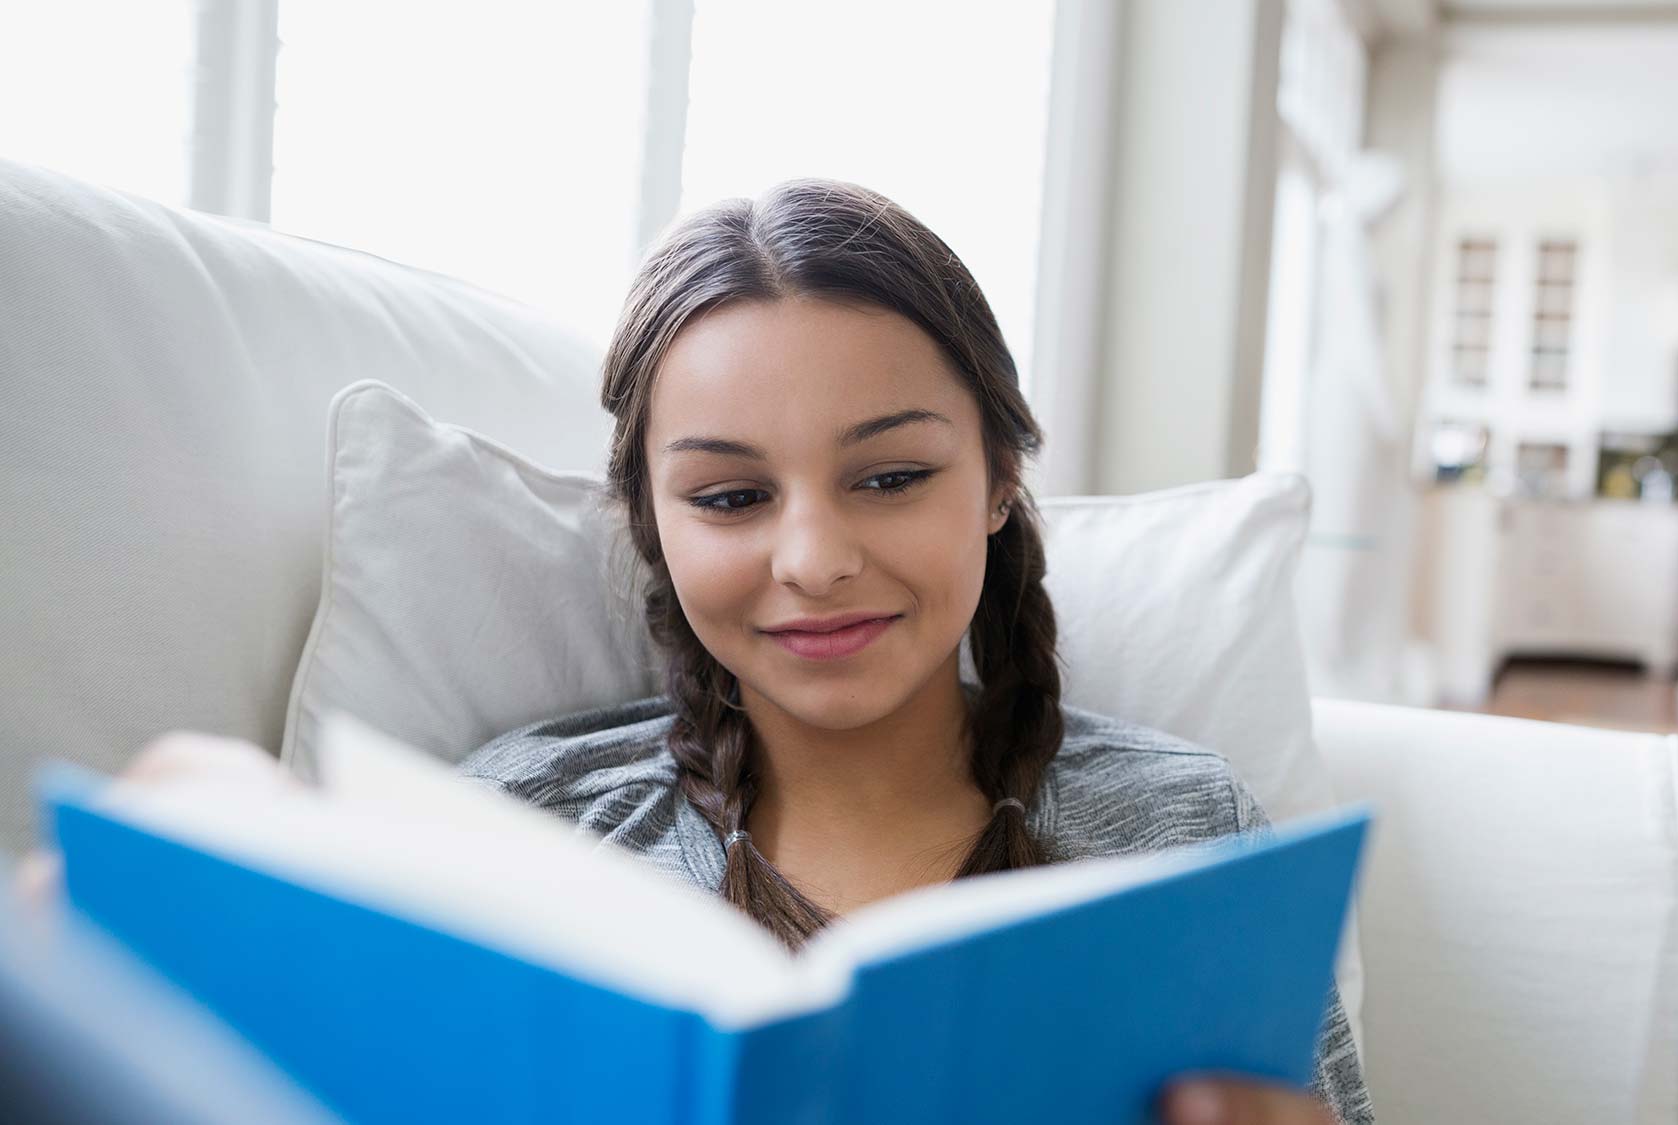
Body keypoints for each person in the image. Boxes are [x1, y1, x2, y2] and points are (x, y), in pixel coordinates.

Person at [15, 178, 1371, 1125]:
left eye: (891, 476)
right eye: (729, 497)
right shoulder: (521, 821)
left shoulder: (1190, 831)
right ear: (652, 524)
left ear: (1002, 475)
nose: (813, 558)